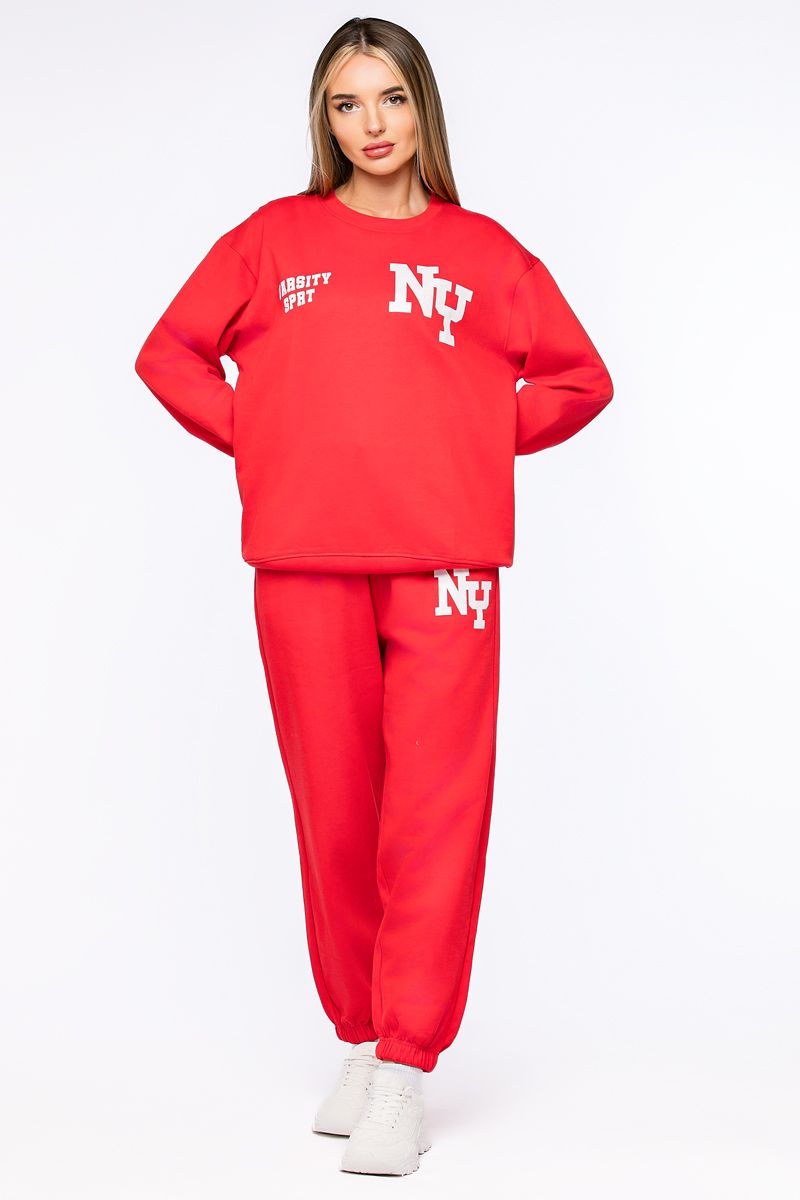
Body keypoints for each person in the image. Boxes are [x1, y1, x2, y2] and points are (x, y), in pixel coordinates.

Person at [134, 15, 614, 1178]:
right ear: (324, 120)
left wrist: (465, 439)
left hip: (445, 566)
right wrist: (268, 438)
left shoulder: (483, 253)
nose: (371, 124)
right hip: (303, 558)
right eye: (346, 104)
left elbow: (577, 378)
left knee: (434, 810)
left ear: (421, 108)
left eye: (389, 98)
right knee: (335, 808)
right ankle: (358, 1033)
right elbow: (170, 354)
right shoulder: (272, 239)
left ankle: (406, 1064)